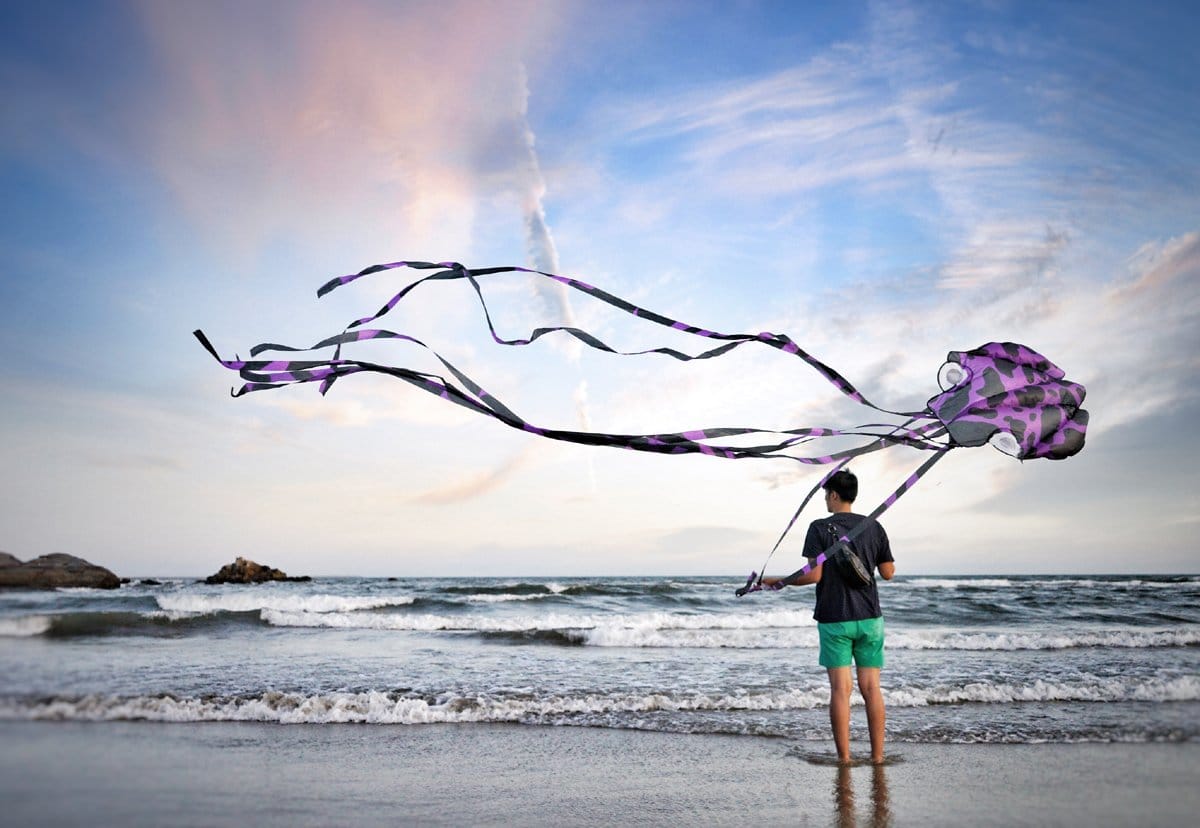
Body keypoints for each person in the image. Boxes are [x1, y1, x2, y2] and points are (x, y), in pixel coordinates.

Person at [760, 469, 895, 764]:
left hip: (835, 617)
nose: (825, 499)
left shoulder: (819, 527)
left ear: (834, 495)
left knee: (840, 690)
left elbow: (814, 575)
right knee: (872, 689)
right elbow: (888, 573)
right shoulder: (874, 526)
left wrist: (777, 581)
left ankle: (845, 758)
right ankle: (877, 757)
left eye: (826, 494)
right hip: (871, 618)